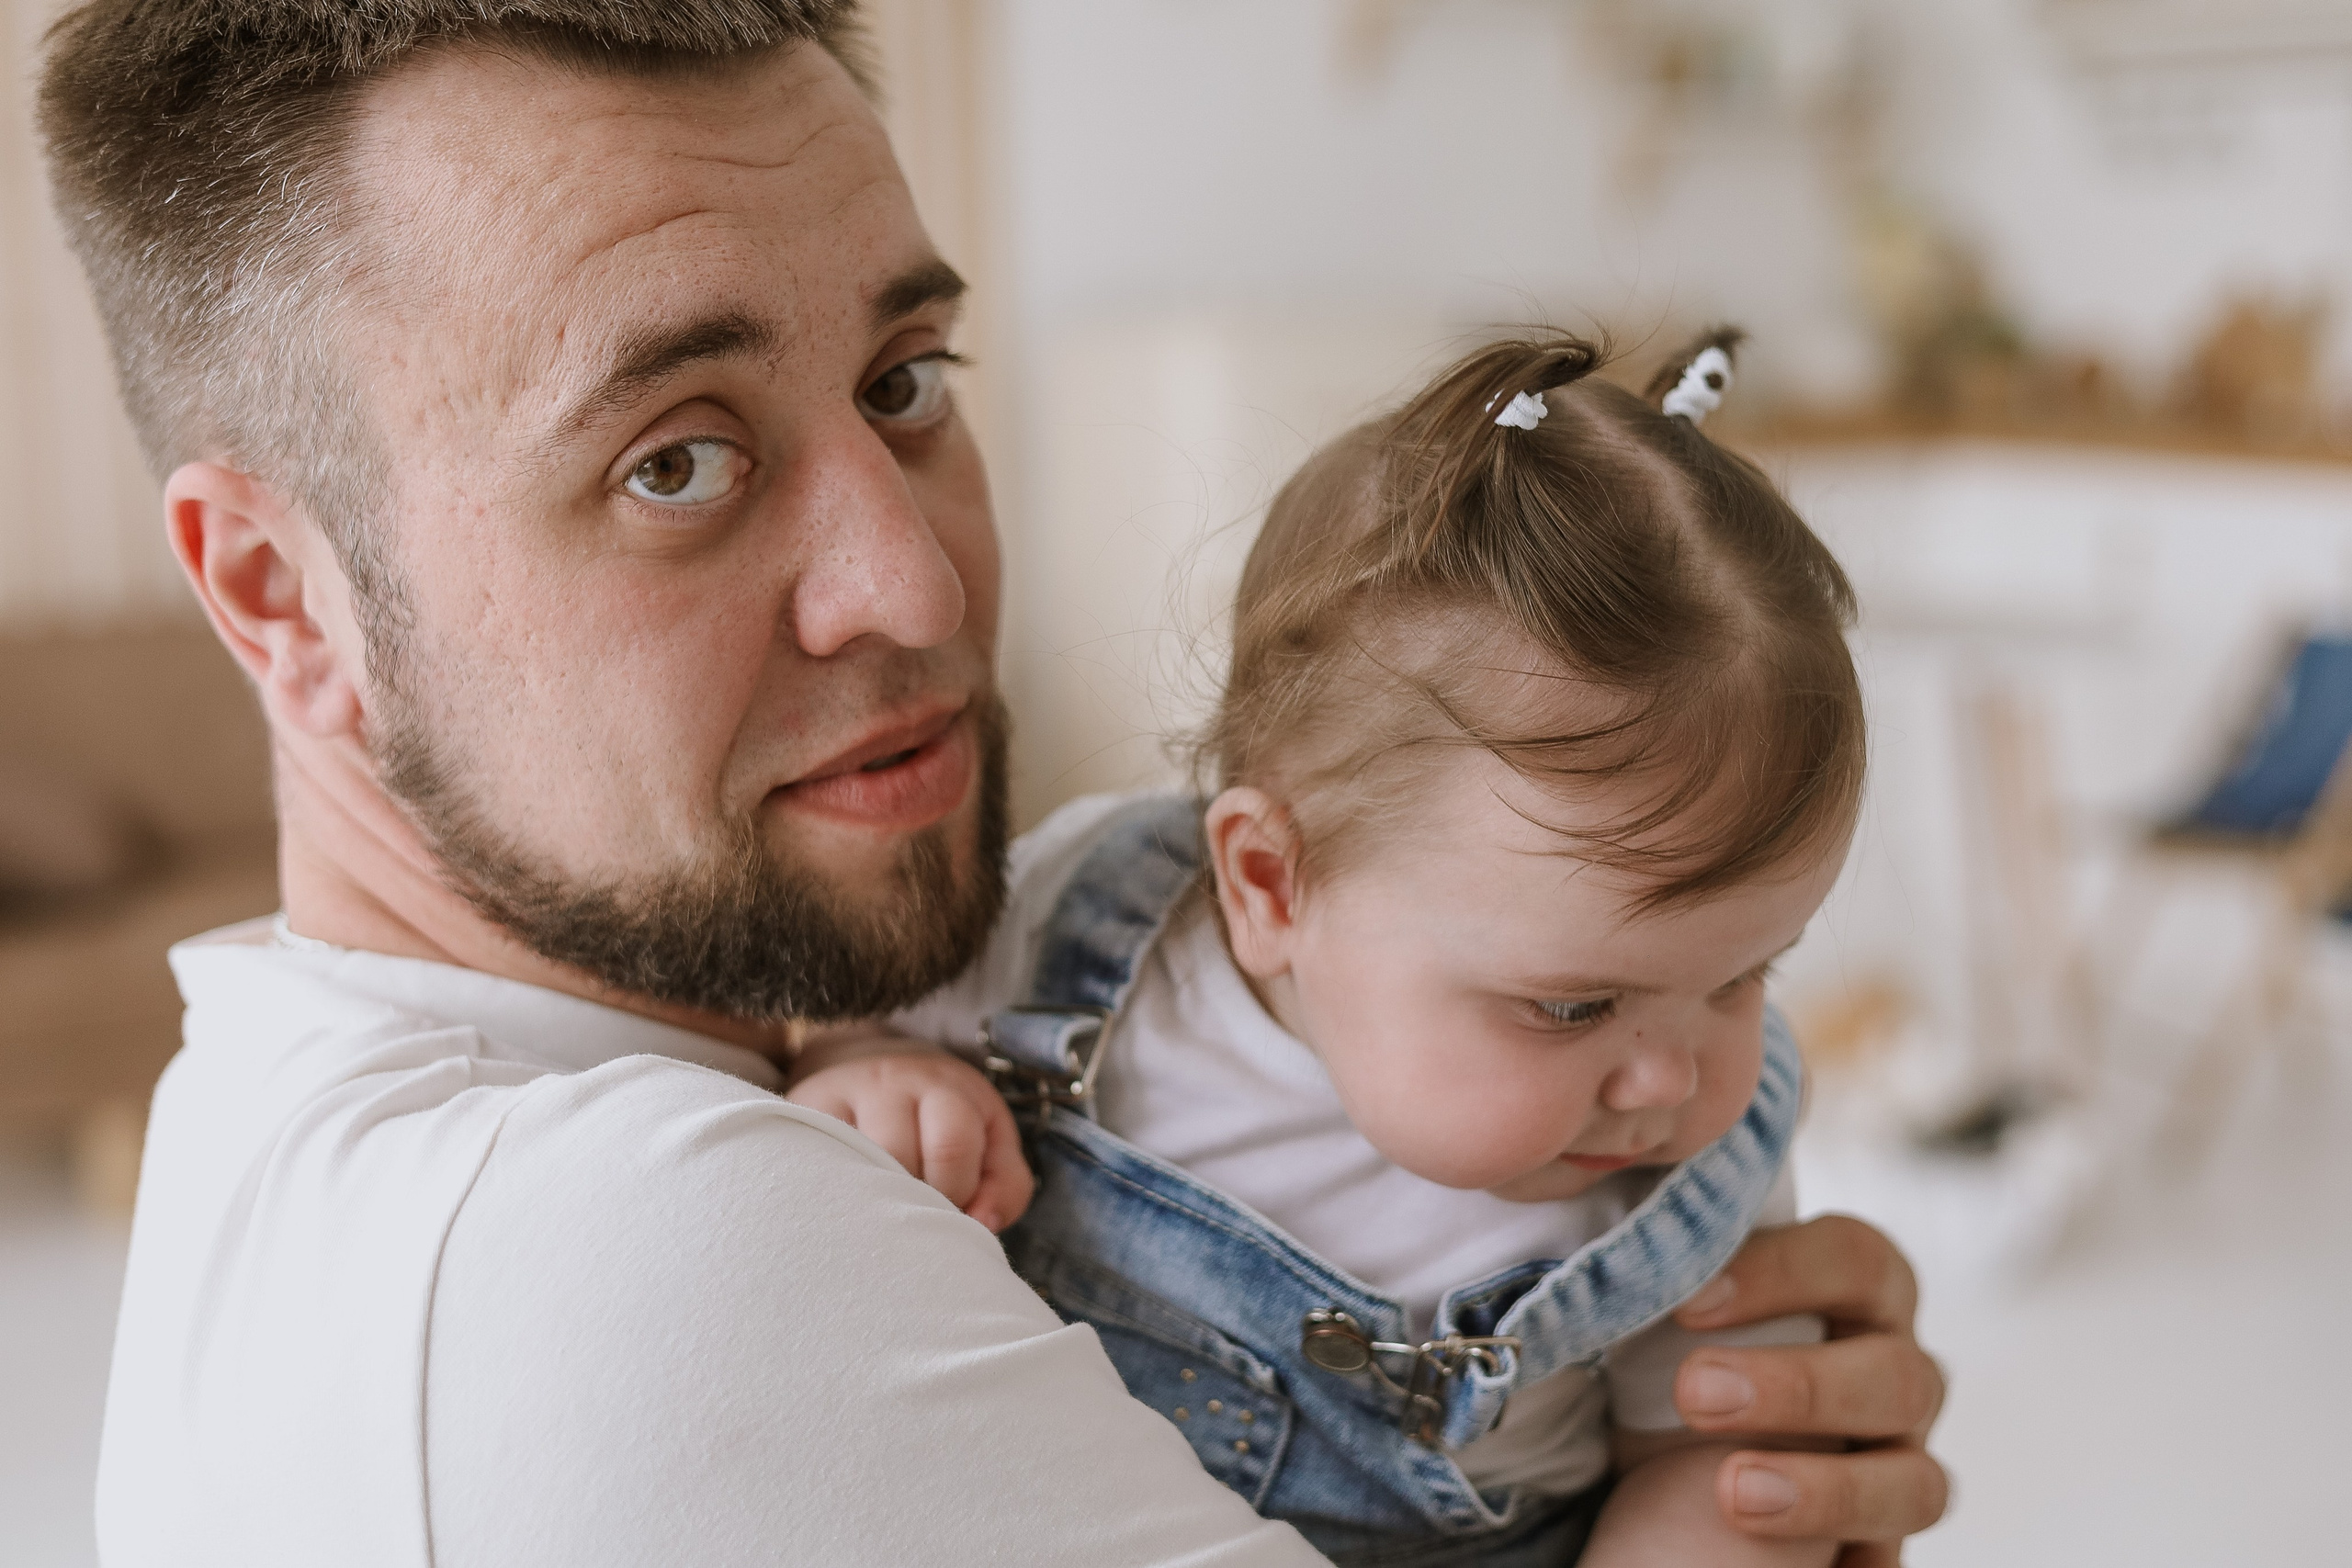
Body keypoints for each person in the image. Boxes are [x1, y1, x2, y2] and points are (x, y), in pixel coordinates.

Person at [34, 3, 1949, 1563]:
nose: (919, 584)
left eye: (904, 381)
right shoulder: (638, 1254)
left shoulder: (268, 1105)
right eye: (673, 462)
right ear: (278, 593)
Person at [804, 329, 1862, 1566]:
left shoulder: (1696, 1179)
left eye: (1744, 977)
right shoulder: (1080, 930)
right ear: (1269, 883)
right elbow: (864, 1024)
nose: (1672, 1080)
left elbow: (1717, 1471)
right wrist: (871, 1071)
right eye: (1574, 1008)